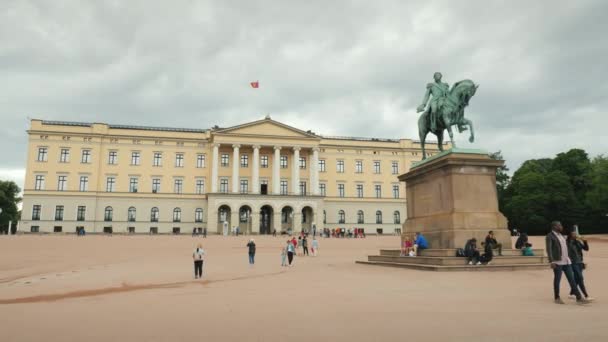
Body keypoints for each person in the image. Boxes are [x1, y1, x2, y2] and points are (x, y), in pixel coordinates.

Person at [546, 221, 590, 304]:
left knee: (572, 279)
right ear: (554, 226)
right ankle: (557, 297)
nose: (561, 226)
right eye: (560, 225)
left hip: (567, 261)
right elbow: (549, 249)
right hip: (558, 262)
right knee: (557, 280)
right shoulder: (550, 236)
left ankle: (579, 297)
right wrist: (551, 261)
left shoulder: (562, 236)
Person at [567, 231, 592, 301]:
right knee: (580, 278)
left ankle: (571, 293)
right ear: (570, 235)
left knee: (577, 279)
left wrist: (585, 241)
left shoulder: (577, 242)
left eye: (576, 234)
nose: (575, 235)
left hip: (580, 262)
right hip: (573, 263)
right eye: (573, 234)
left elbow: (586, 249)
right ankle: (586, 295)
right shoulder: (567, 243)